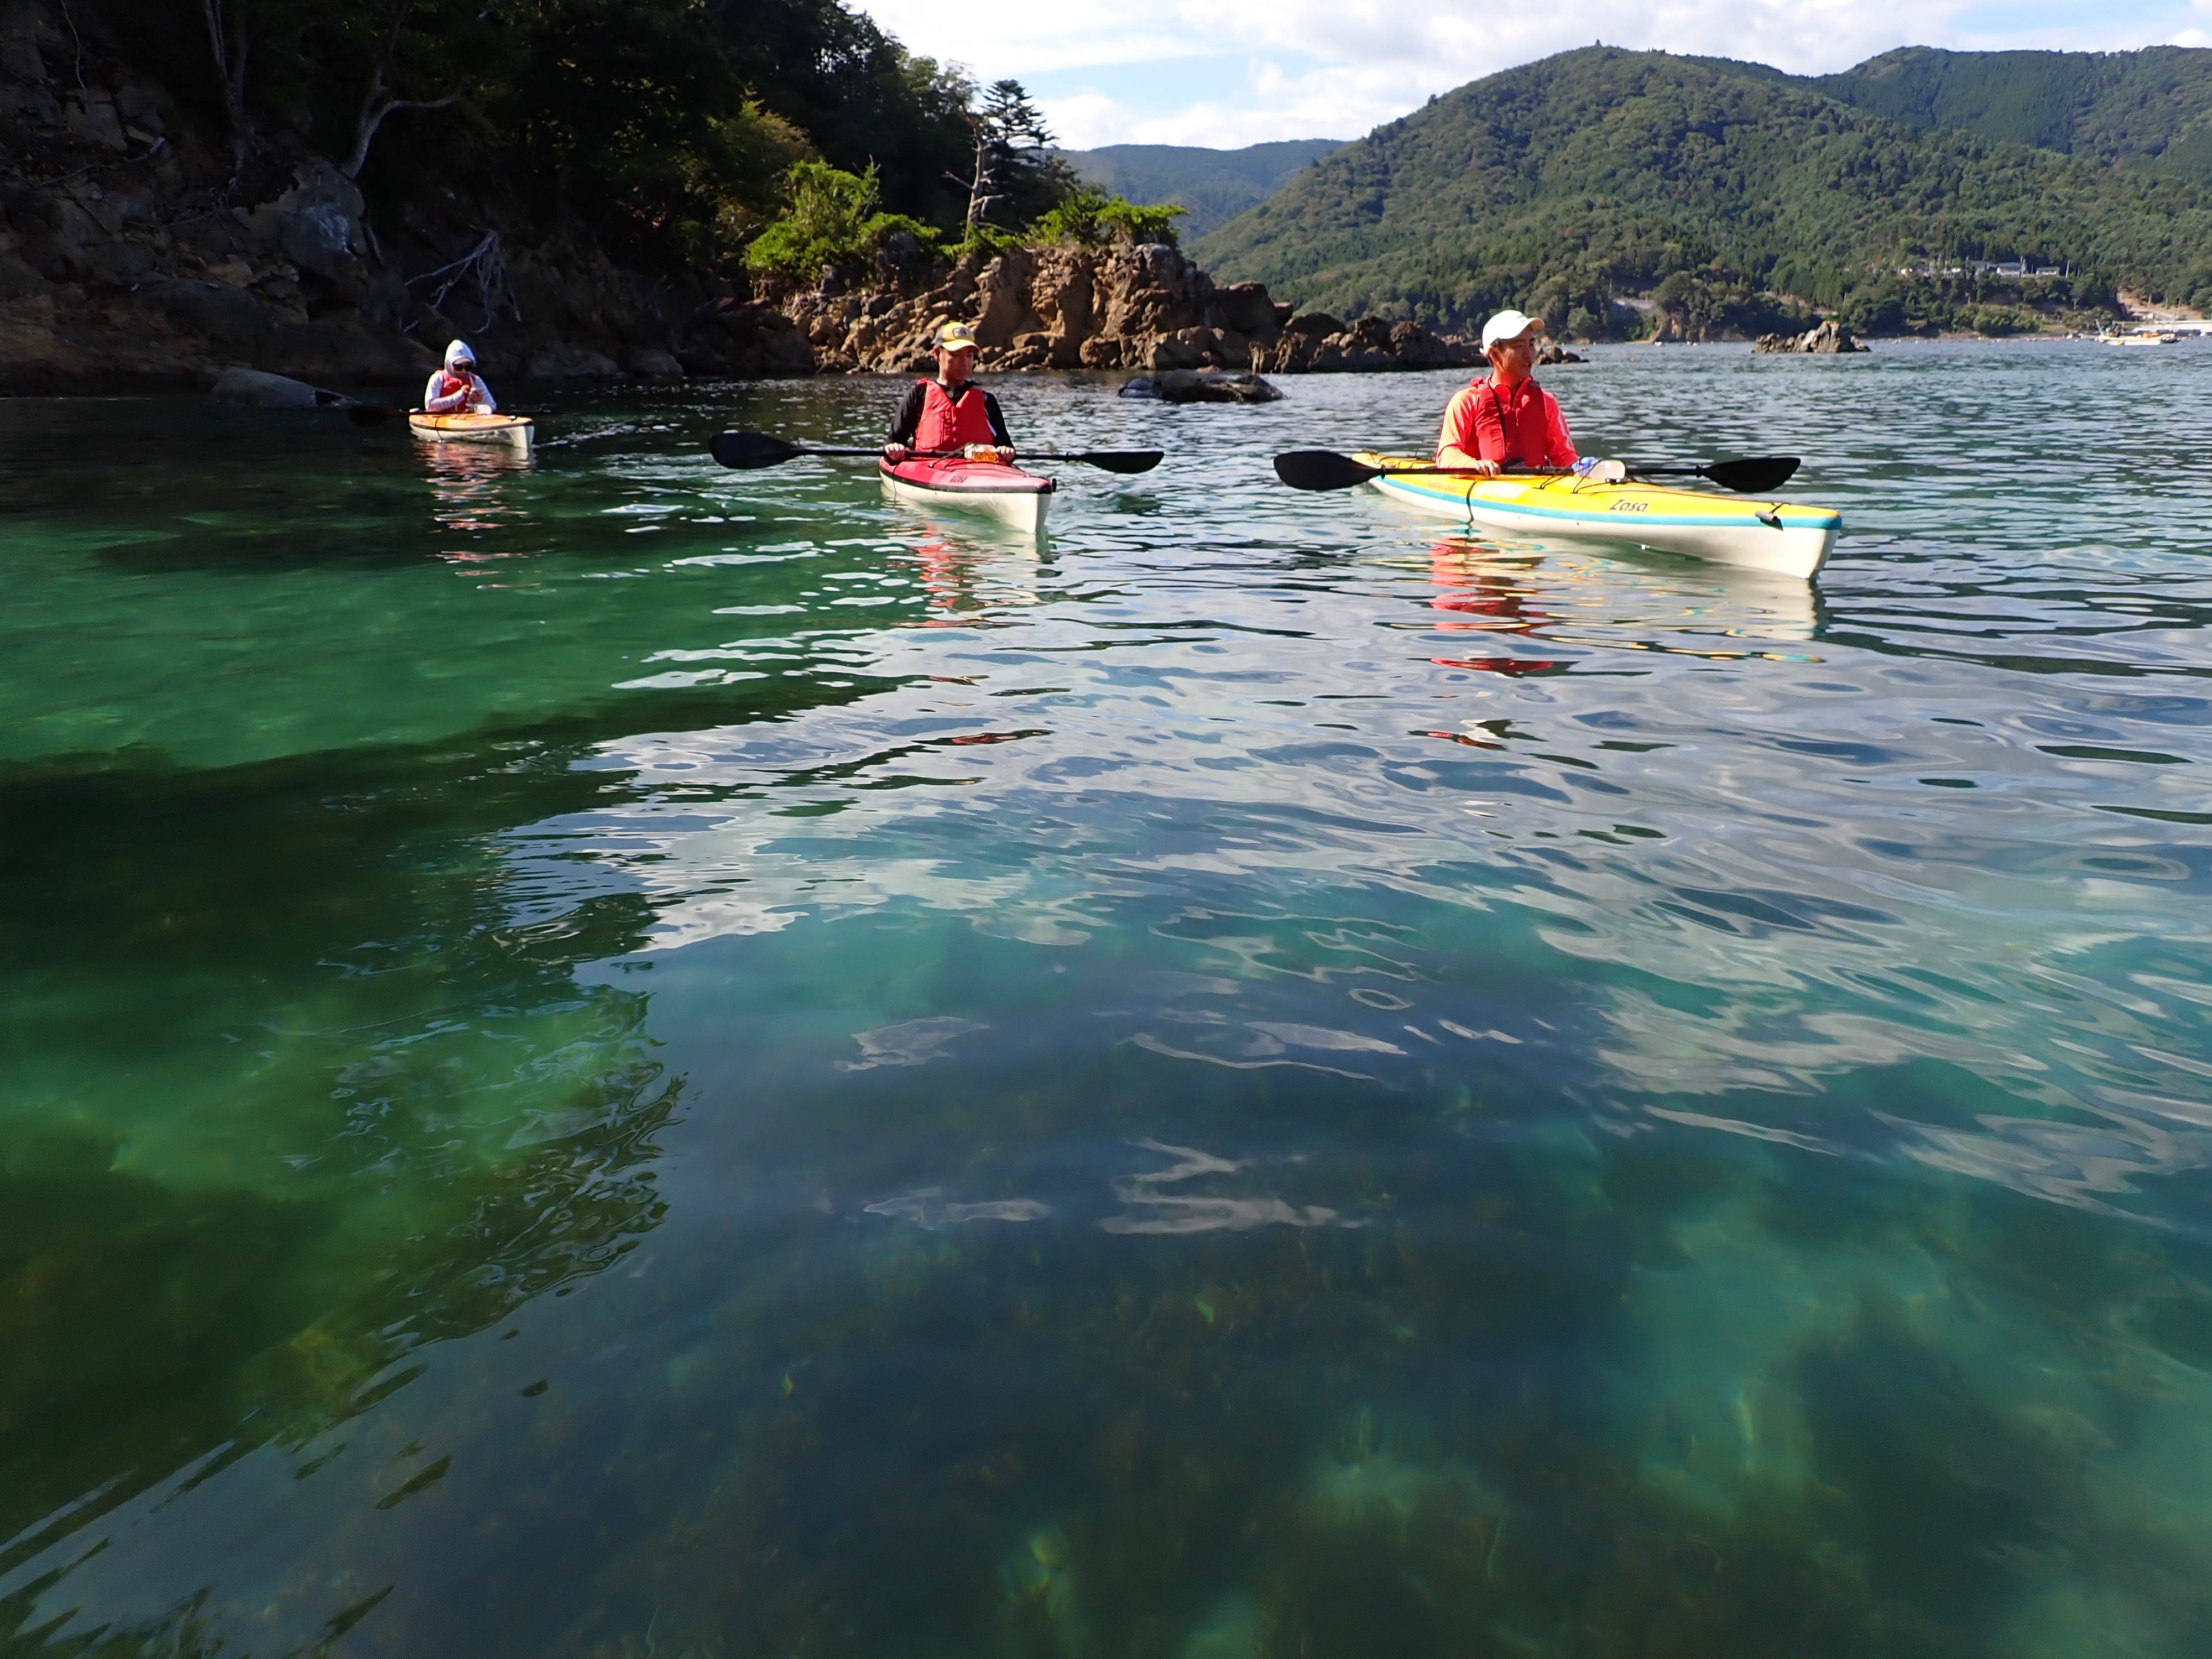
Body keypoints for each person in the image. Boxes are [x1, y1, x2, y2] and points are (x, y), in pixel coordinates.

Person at [1434, 309, 1580, 476]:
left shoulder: (1547, 402)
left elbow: (1564, 457)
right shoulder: (1466, 402)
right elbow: (1446, 454)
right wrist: (1472, 465)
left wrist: (1588, 468)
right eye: (1519, 346)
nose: (1529, 354)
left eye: (1531, 344)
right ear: (1494, 354)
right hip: (1487, 490)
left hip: (1535, 491)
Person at [884, 321, 1014, 463]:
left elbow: (1006, 446)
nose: (965, 362)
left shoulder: (986, 401)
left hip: (978, 473)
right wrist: (895, 449)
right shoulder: (919, 395)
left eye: (969, 355)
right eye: (956, 355)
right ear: (937, 354)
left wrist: (1005, 451)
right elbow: (893, 443)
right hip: (930, 471)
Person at [423, 340, 496, 415]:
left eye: (468, 367)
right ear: (450, 365)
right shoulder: (438, 379)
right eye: (458, 367)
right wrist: (458, 397)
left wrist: (480, 403)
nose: (463, 371)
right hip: (444, 420)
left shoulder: (475, 380)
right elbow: (430, 406)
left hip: (469, 421)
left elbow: (492, 406)